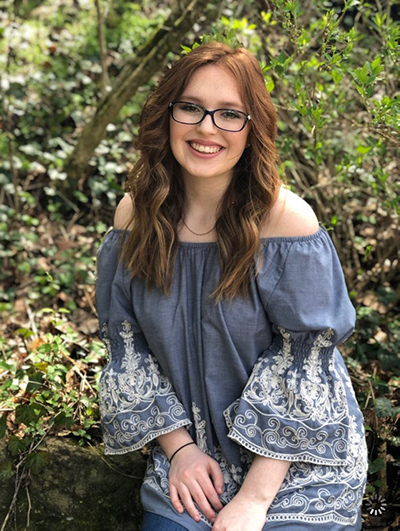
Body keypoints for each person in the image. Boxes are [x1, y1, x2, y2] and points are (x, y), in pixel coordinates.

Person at [95, 42, 368, 531]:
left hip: (298, 466)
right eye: (192, 108)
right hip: (191, 461)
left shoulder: (286, 223)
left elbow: (304, 367)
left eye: (229, 114)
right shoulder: (134, 218)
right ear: (168, 115)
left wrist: (255, 500)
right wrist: (179, 451)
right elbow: (127, 348)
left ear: (252, 128)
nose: (206, 128)